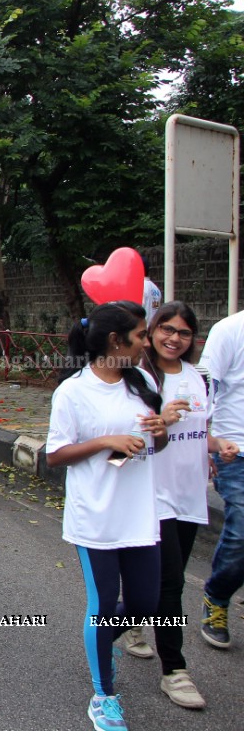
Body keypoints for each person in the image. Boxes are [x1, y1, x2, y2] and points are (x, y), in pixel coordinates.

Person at [45, 301, 172, 731]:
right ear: (116, 341)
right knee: (102, 605)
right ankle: (104, 695)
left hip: (140, 513)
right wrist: (105, 441)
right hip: (95, 515)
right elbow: (55, 455)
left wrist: (161, 433)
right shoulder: (73, 391)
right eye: (140, 336)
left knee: (144, 604)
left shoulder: (142, 382)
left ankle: (100, 641)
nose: (147, 342)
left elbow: (158, 447)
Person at [132, 301, 238, 708]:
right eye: (167, 329)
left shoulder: (198, 378)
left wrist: (218, 446)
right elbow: (129, 436)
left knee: (157, 584)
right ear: (153, 331)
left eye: (184, 333)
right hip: (152, 494)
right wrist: (164, 419)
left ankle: (125, 623)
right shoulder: (140, 378)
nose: (174, 338)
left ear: (194, 339)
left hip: (190, 497)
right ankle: (174, 670)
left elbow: (201, 431)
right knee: (172, 584)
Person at [198, 302, 244, 651]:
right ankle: (217, 594)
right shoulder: (229, 330)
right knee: (242, 530)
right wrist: (205, 443)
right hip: (235, 449)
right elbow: (204, 391)